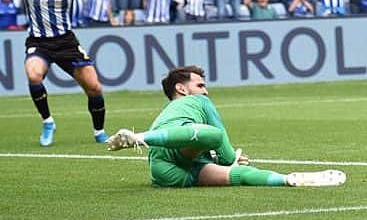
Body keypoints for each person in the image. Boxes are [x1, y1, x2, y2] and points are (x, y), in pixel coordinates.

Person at [0, 0, 151, 146]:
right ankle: (48, 122)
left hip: (66, 42)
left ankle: (99, 132)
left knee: (95, 88)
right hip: (39, 42)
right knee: (33, 74)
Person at [106, 66, 344, 187]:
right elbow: (220, 136)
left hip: (163, 171)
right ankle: (138, 138)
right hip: (171, 153)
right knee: (215, 136)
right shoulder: (197, 101)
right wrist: (229, 156)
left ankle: (288, 179)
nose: (205, 91)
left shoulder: (171, 112)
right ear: (181, 89)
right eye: (200, 85)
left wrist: (227, 160)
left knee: (236, 175)